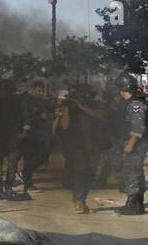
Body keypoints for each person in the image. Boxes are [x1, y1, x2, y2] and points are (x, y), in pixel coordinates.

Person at [56, 84, 102, 214]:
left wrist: (83, 108)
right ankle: (78, 201)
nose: (81, 98)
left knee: (91, 174)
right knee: (80, 172)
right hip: (77, 146)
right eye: (79, 97)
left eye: (84, 96)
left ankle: (82, 200)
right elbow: (64, 126)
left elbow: (99, 116)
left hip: (93, 144)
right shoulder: (69, 107)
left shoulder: (94, 106)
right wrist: (67, 109)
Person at [114, 72, 148, 215]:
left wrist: (130, 144)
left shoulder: (135, 103)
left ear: (122, 88)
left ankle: (132, 204)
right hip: (134, 142)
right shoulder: (132, 101)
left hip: (135, 143)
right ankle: (137, 204)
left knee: (132, 172)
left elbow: (138, 127)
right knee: (135, 172)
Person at [0, 79, 26, 201]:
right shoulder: (18, 101)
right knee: (11, 162)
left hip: (1, 136)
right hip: (11, 136)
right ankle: (7, 186)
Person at [19, 80, 53, 192]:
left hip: (36, 133)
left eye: (42, 91)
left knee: (43, 155)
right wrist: (25, 130)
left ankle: (25, 173)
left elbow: (41, 112)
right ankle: (28, 185)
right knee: (29, 158)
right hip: (28, 134)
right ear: (32, 89)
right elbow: (26, 116)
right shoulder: (26, 100)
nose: (41, 93)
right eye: (39, 91)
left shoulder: (36, 100)